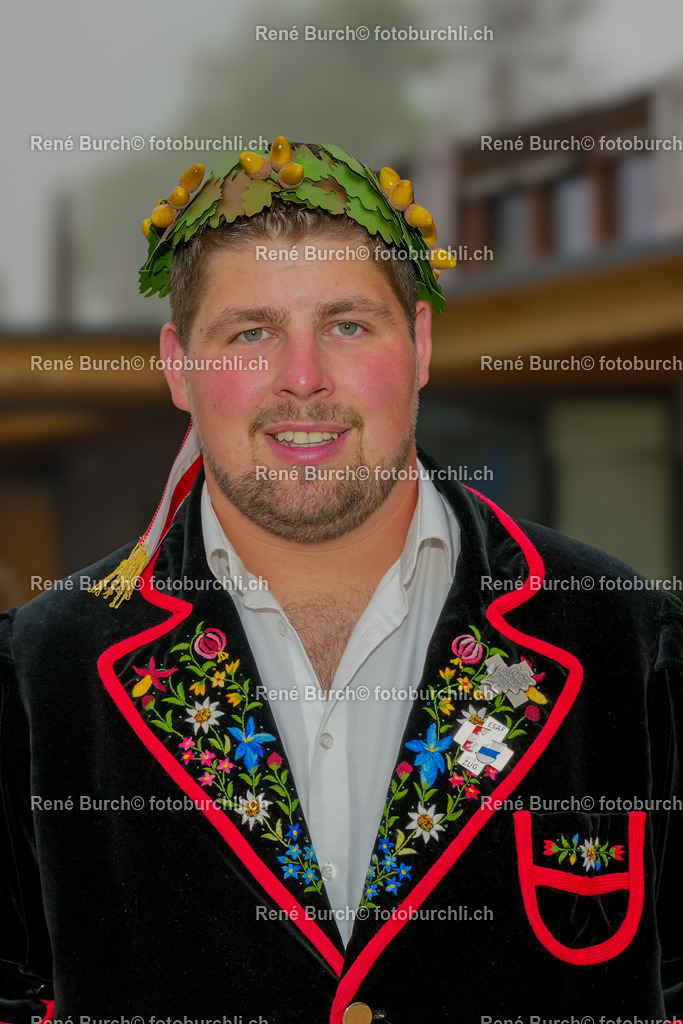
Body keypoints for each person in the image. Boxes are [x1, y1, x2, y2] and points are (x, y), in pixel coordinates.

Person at [1, 137, 681, 1024]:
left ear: (421, 344)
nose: (303, 379)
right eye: (251, 333)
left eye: (347, 325)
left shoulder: (632, 646)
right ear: (178, 366)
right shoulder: (37, 673)